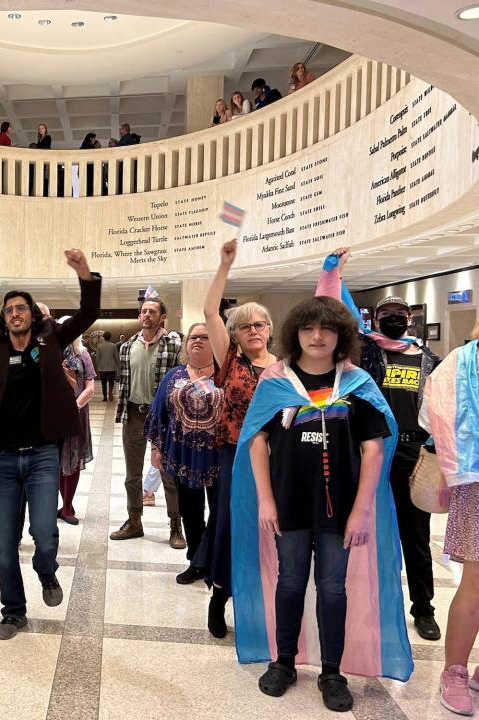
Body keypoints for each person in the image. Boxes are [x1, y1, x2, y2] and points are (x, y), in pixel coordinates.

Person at [234, 296, 411, 713]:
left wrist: (362, 509)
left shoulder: (357, 384)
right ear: (295, 334)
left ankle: (332, 671)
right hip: (289, 505)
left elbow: (373, 449)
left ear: (340, 336)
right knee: (290, 582)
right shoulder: (276, 382)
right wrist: (265, 500)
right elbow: (257, 441)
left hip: (341, 510)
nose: (317, 337)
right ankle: (284, 662)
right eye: (308, 329)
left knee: (333, 587)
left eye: (326, 329)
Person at [0, 249, 100, 640]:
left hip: (44, 453)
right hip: (4, 460)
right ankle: (13, 611)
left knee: (45, 532)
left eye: (21, 308)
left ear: (33, 314)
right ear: (2, 316)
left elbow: (88, 313)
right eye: (9, 309)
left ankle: (46, 571)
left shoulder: (52, 339)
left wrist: (84, 273)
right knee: (5, 544)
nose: (15, 313)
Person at [317, 251, 442, 640]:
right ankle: (363, 602)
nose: (393, 317)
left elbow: (441, 407)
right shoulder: (364, 350)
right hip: (367, 453)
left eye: (399, 313)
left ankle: (423, 608)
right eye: (386, 312)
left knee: (416, 537)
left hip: (411, 455)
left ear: (409, 320)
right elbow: (339, 310)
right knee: (359, 530)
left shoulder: (429, 359)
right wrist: (333, 273)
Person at [196, 239, 278, 639]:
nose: (253, 330)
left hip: (279, 458)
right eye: (245, 325)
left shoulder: (284, 367)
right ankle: (220, 595)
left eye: (259, 324)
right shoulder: (231, 360)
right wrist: (224, 264)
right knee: (232, 524)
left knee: (273, 529)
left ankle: (264, 603)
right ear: (236, 334)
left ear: (270, 329)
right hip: (238, 455)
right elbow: (210, 311)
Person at [421, 322, 479, 716]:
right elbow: (434, 417)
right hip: (476, 481)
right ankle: (454, 672)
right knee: (476, 582)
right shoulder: (462, 362)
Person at [143, 323, 222, 584]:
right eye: (193, 337)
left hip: (219, 456)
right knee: (191, 510)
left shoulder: (225, 374)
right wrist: (156, 448)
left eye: (205, 337)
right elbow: (159, 412)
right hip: (182, 455)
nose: (197, 341)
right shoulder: (174, 375)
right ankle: (196, 562)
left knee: (220, 511)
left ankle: (216, 561)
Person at [110, 291, 183, 546]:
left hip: (162, 419)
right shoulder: (129, 346)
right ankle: (134, 521)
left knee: (168, 474)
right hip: (134, 415)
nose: (147, 315)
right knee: (132, 475)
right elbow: (125, 382)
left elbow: (180, 382)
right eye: (144, 311)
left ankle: (175, 526)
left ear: (162, 317)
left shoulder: (174, 345)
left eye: (152, 311)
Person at [58, 329, 96, 525]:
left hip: (76, 413)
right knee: (56, 459)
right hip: (54, 414)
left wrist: (74, 406)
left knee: (73, 458)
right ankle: (65, 504)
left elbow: (90, 388)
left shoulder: (83, 355)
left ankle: (67, 507)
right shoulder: (51, 352)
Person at [96, 331, 119, 401]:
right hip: (112, 367)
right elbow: (116, 357)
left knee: (103, 383)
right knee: (111, 382)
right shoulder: (114, 345)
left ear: (103, 337)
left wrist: (98, 366)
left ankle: (105, 397)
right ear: (110, 337)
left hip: (102, 368)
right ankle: (110, 392)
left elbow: (97, 358)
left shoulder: (99, 346)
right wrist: (118, 365)